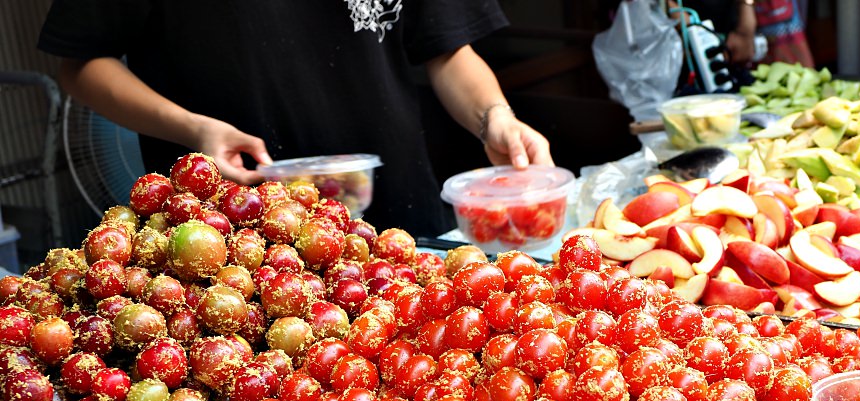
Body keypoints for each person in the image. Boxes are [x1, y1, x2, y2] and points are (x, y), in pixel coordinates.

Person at [38, 1, 553, 238]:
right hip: (243, 247)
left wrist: (495, 118)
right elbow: (81, 63)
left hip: (403, 225)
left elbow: (446, 49)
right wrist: (192, 128)